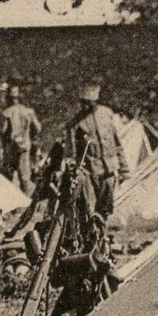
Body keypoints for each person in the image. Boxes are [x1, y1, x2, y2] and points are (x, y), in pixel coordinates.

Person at [63, 81, 130, 218]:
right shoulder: (76, 122)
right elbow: (71, 151)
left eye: (91, 102)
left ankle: (101, 232)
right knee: (87, 208)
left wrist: (124, 169)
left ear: (96, 101)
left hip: (109, 168)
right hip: (89, 170)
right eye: (85, 102)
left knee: (106, 205)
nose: (87, 105)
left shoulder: (107, 114)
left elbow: (116, 143)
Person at [0, 84, 42, 193]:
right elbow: (38, 128)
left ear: (8, 98)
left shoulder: (7, 112)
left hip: (12, 147)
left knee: (7, 176)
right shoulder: (29, 112)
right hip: (25, 145)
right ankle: (26, 201)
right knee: (25, 176)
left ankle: (8, 203)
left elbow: (3, 131)